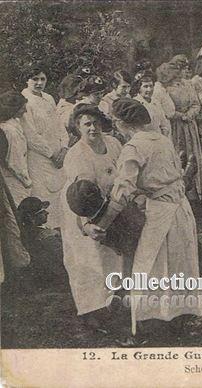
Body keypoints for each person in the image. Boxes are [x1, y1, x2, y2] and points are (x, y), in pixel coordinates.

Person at [105, 98, 202, 332]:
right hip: (180, 207)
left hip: (160, 212)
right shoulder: (162, 140)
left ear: (121, 123)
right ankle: (179, 316)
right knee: (180, 264)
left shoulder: (133, 148)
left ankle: (151, 324)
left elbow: (123, 189)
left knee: (149, 267)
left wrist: (105, 220)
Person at [60, 104, 124, 330]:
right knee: (86, 260)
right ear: (77, 127)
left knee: (112, 257)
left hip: (109, 205)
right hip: (80, 208)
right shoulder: (77, 155)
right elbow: (81, 194)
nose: (93, 128)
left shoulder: (113, 143)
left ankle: (111, 302)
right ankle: (90, 311)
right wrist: (85, 224)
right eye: (87, 124)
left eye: (96, 122)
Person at [20, 64, 70, 228]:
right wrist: (51, 154)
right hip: (39, 159)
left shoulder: (48, 98)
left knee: (60, 195)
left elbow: (59, 125)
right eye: (35, 79)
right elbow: (31, 135)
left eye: (43, 79)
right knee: (43, 196)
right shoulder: (24, 100)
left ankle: (60, 233)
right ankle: (45, 233)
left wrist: (64, 148)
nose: (39, 82)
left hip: (59, 157)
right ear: (27, 80)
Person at [163, 61, 202, 200]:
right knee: (179, 154)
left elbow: (196, 103)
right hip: (175, 126)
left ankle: (195, 192)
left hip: (189, 125)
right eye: (177, 71)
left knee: (192, 155)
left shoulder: (188, 84)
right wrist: (180, 116)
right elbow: (166, 110)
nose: (180, 73)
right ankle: (179, 193)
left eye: (181, 70)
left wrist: (190, 114)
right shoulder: (165, 88)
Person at [16, 196, 67, 286]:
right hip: (56, 277)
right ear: (31, 217)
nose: (47, 213)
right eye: (42, 212)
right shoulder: (45, 237)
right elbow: (62, 256)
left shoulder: (27, 232)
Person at [0, 91, 31, 204]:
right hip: (15, 180)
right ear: (14, 110)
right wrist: (26, 181)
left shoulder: (14, 123)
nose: (25, 111)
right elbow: (14, 162)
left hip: (15, 178)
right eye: (23, 108)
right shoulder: (10, 131)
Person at [131, 69, 172, 139]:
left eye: (151, 86)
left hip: (159, 139)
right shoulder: (134, 103)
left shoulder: (156, 102)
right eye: (145, 86)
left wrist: (163, 138)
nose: (149, 90)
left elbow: (164, 124)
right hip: (143, 140)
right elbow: (133, 129)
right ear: (139, 88)